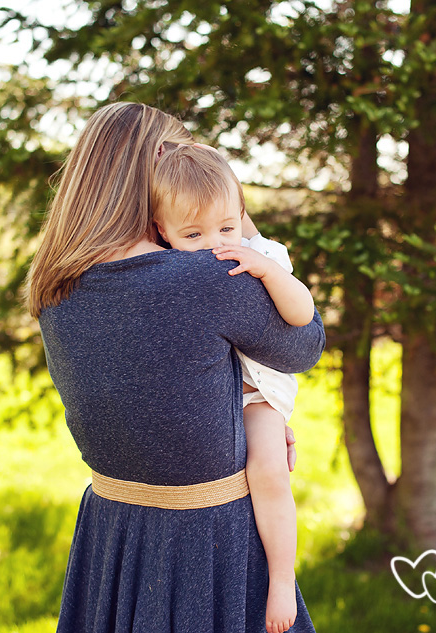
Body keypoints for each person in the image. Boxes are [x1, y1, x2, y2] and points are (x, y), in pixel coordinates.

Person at [26, 102, 325, 633]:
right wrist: (233, 210)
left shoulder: (56, 284)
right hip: (206, 539)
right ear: (153, 172)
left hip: (112, 529)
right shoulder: (202, 275)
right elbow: (303, 347)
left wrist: (235, 416)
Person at [150, 144, 314, 633]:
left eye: (225, 228)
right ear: (162, 231)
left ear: (240, 214)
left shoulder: (261, 254)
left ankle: (281, 581)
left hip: (258, 393)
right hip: (211, 395)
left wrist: (268, 271)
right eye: (193, 235)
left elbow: (303, 315)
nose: (213, 244)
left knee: (266, 470)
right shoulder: (163, 267)